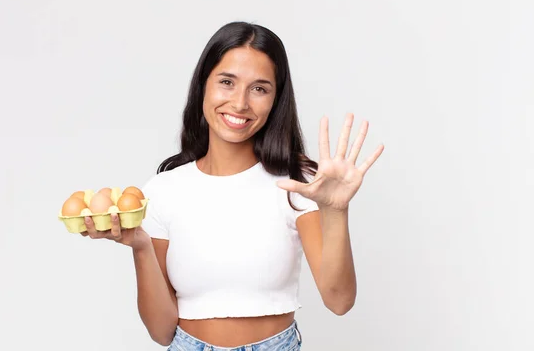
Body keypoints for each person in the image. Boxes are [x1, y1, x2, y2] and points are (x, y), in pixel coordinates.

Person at [80, 21, 384, 350]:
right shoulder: (163, 191)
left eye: (259, 88)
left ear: (275, 99)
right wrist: (140, 246)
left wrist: (336, 210)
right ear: (204, 86)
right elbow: (161, 332)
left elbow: (339, 301)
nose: (240, 103)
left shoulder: (296, 184)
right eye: (227, 82)